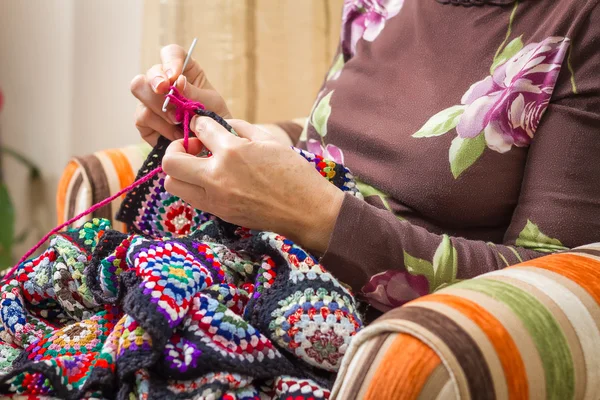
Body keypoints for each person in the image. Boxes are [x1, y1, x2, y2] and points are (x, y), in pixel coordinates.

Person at [130, 0, 600, 315]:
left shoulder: (582, 21)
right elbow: (331, 145)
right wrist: (221, 131)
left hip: (378, 334)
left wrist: (320, 218)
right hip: (267, 275)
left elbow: (562, 283)